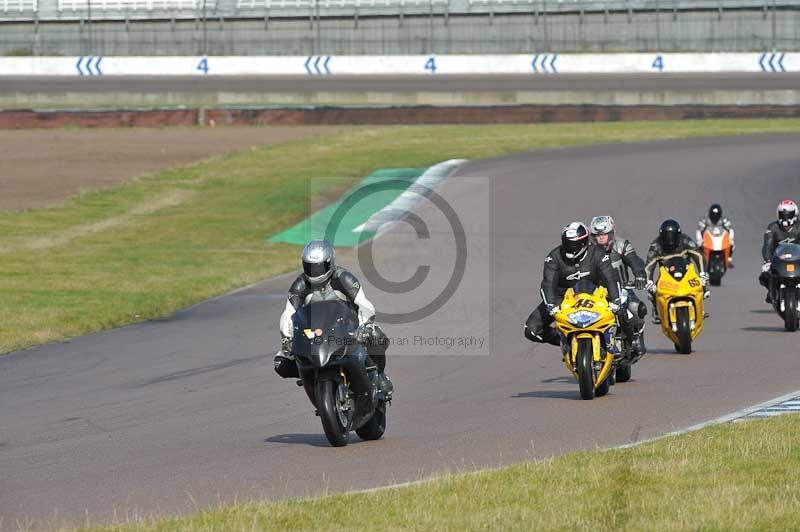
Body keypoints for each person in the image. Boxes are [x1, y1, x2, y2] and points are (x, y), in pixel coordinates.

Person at [274, 239, 393, 396]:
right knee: (281, 363)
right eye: (309, 266)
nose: (314, 271)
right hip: (316, 334)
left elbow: (363, 304)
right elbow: (288, 313)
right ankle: (311, 376)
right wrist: (287, 338)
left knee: (376, 336)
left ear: (330, 263)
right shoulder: (300, 284)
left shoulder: (343, 278)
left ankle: (380, 375)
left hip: (347, 330)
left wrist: (365, 326)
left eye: (318, 267)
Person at [524, 222, 625, 347]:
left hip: (597, 294)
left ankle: (623, 342)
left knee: (626, 311)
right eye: (567, 243)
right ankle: (564, 339)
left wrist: (616, 300)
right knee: (531, 330)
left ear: (583, 243)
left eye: (574, 244)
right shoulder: (553, 258)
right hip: (562, 297)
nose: (570, 248)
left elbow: (611, 278)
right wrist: (551, 304)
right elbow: (548, 284)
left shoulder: (598, 254)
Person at [589, 215, 648, 355]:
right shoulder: (588, 251)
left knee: (636, 308)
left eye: (604, 234)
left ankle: (636, 339)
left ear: (612, 233)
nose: (601, 238)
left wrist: (640, 275)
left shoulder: (622, 245)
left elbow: (635, 261)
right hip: (596, 293)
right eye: (597, 235)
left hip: (622, 289)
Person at [645, 219, 709, 324]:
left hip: (687, 272)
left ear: (678, 235)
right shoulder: (656, 246)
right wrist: (649, 282)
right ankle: (656, 310)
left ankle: (700, 305)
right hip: (666, 276)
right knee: (652, 291)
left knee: (701, 284)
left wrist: (703, 274)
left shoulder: (686, 241)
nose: (670, 241)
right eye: (666, 237)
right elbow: (649, 266)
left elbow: (699, 256)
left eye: (673, 237)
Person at [761, 200, 800, 303]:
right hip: (779, 260)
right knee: (764, 275)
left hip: (797, 260)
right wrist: (767, 261)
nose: (785, 218)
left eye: (788, 215)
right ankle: (772, 290)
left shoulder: (799, 226)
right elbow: (767, 246)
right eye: (783, 215)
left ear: (795, 214)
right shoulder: (772, 228)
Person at [696, 203, 735, 267]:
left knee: (731, 244)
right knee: (699, 245)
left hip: (720, 237)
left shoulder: (724, 220)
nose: (715, 216)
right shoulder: (705, 220)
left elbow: (729, 229)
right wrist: (700, 240)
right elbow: (700, 230)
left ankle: (728, 259)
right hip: (708, 238)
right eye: (713, 214)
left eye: (716, 214)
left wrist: (730, 238)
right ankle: (702, 260)